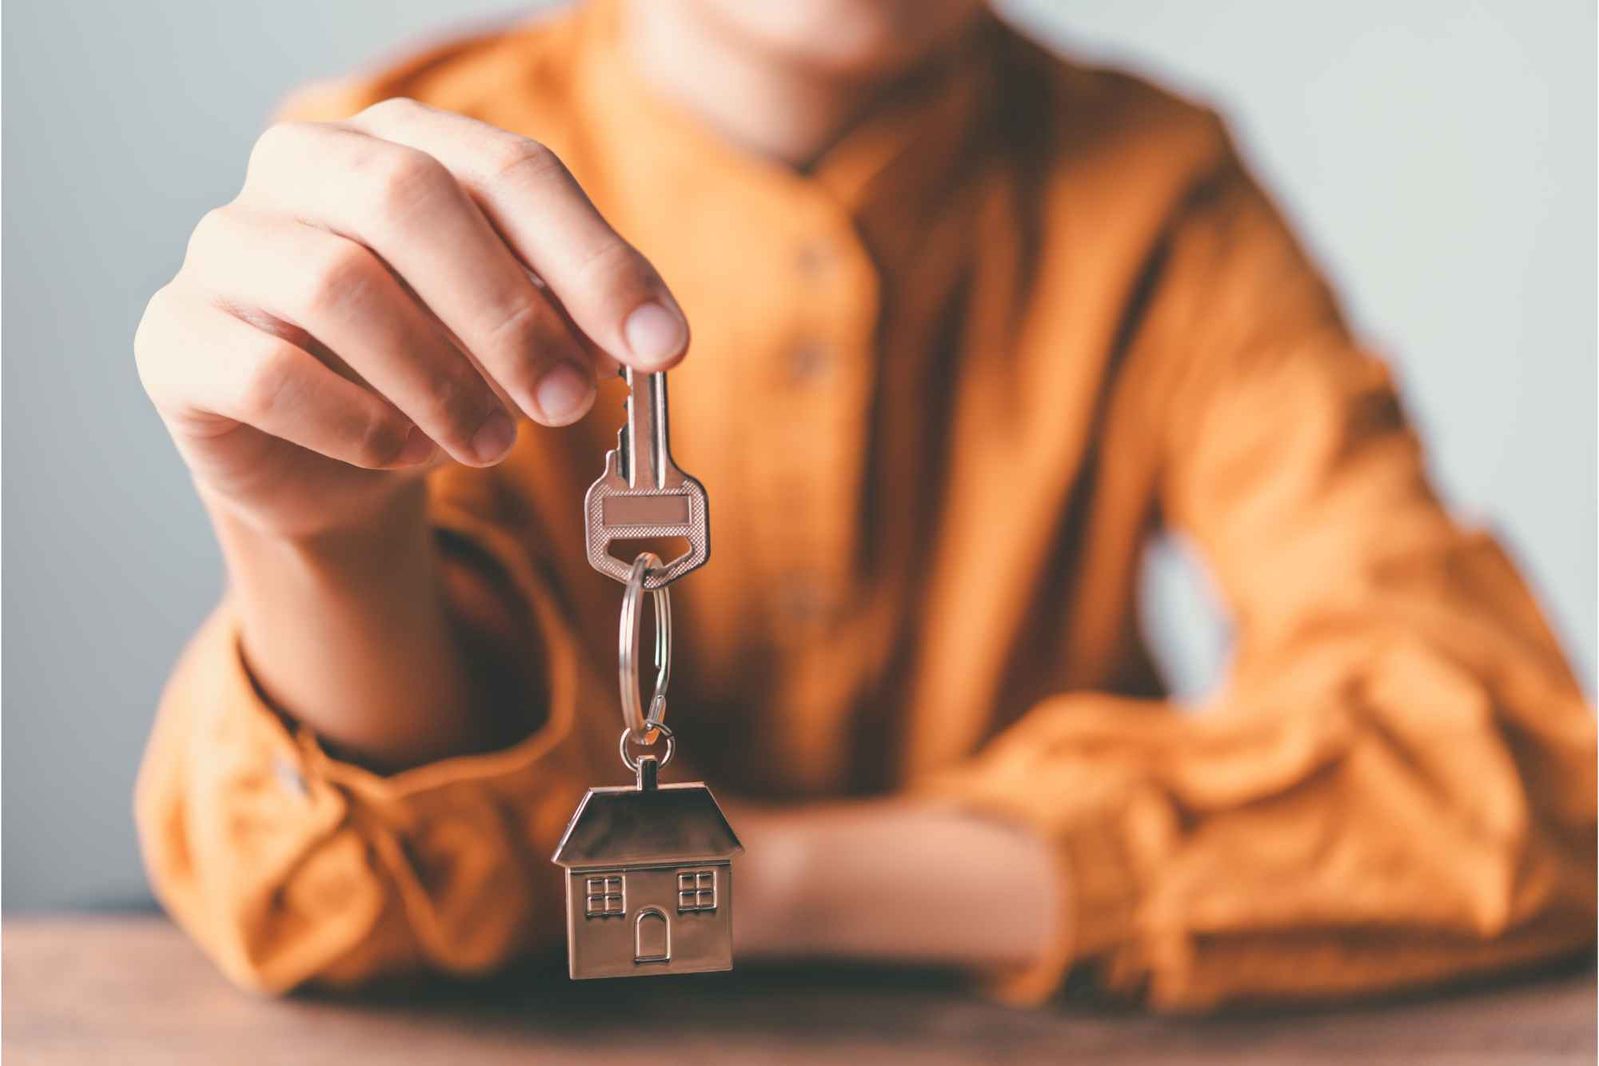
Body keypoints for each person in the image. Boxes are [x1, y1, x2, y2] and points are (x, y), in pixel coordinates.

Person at [132, 0, 1595, 1010]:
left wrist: (757, 884)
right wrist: (322, 549)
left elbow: (1502, 788)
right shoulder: (384, 205)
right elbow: (329, 910)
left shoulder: (1163, 200)